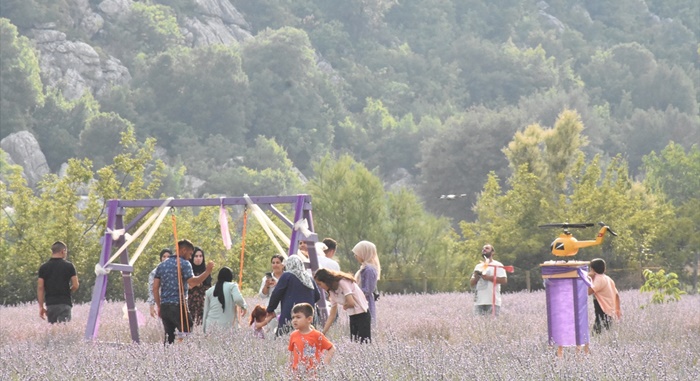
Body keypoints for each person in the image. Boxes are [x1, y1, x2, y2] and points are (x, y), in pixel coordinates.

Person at [153, 239, 214, 344]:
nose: (190, 257)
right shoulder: (184, 264)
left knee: (169, 337)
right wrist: (207, 271)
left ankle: (167, 357)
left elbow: (155, 288)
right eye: (190, 254)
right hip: (179, 305)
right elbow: (193, 282)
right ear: (184, 250)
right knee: (188, 331)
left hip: (165, 307)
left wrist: (159, 306)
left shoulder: (161, 265)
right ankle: (185, 355)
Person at [265, 255, 321, 336]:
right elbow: (317, 296)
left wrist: (270, 309)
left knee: (284, 338)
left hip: (291, 313)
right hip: (308, 315)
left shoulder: (287, 276)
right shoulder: (308, 277)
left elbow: (276, 294)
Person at [314, 268, 371, 343]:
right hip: (353, 315)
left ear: (325, 281)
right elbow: (332, 315)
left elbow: (351, 303)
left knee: (364, 343)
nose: (320, 287)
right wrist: (323, 332)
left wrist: (345, 306)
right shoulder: (332, 292)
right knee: (355, 343)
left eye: (319, 284)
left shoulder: (342, 282)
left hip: (362, 313)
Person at [37, 241, 79, 323]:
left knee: (54, 331)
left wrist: (41, 307)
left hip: (50, 303)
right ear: (63, 251)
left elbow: (40, 287)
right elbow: (76, 285)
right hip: (64, 302)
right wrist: (68, 291)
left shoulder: (43, 267)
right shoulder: (69, 266)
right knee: (63, 331)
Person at [288, 303, 335, 373]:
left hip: (312, 373)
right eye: (293, 317)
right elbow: (291, 354)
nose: (294, 320)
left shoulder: (317, 335)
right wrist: (289, 370)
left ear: (309, 319)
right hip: (297, 373)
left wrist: (324, 364)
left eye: (298, 317)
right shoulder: (293, 335)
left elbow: (332, 348)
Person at [202, 267, 247, 333]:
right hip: (227, 327)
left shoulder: (209, 291)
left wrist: (204, 330)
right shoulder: (232, 286)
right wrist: (244, 306)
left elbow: (206, 311)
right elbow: (238, 299)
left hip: (210, 326)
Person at [470, 244, 508, 316]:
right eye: (483, 249)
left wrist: (487, 277)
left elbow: (504, 280)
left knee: (492, 325)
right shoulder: (478, 266)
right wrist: (476, 277)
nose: (484, 249)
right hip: (479, 301)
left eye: (487, 248)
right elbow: (472, 283)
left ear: (492, 252)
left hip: (492, 302)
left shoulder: (498, 265)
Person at [588, 258, 622, 334]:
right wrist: (617, 309)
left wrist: (588, 277)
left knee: (597, 333)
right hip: (610, 310)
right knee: (606, 331)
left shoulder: (598, 279)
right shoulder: (608, 278)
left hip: (603, 309)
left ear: (592, 269)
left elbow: (588, 292)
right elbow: (616, 294)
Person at [352, 240, 381, 324]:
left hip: (365, 303)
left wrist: (354, 294)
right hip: (361, 301)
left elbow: (368, 290)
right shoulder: (365, 267)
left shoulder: (369, 269)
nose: (355, 256)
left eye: (357, 253)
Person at [188, 246, 212, 326]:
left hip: (203, 306)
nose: (198, 258)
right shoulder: (188, 271)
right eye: (196, 256)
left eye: (201, 256)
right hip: (189, 304)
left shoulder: (206, 272)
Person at [148, 248, 171, 317]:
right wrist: (152, 306)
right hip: (162, 302)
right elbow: (152, 289)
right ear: (161, 258)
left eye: (168, 257)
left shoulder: (176, 270)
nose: (166, 259)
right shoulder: (154, 272)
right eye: (164, 256)